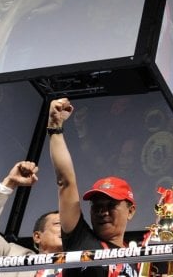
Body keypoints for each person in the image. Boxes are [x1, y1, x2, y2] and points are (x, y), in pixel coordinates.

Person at [47, 97, 139, 277]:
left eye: (111, 205)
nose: (102, 212)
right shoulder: (80, 239)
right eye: (97, 206)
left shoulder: (136, 260)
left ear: (131, 211)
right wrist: (55, 128)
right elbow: (65, 182)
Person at [0, 161, 63, 277]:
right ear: (37, 237)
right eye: (58, 224)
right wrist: (9, 183)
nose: (64, 228)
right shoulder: (11, 255)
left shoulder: (85, 264)